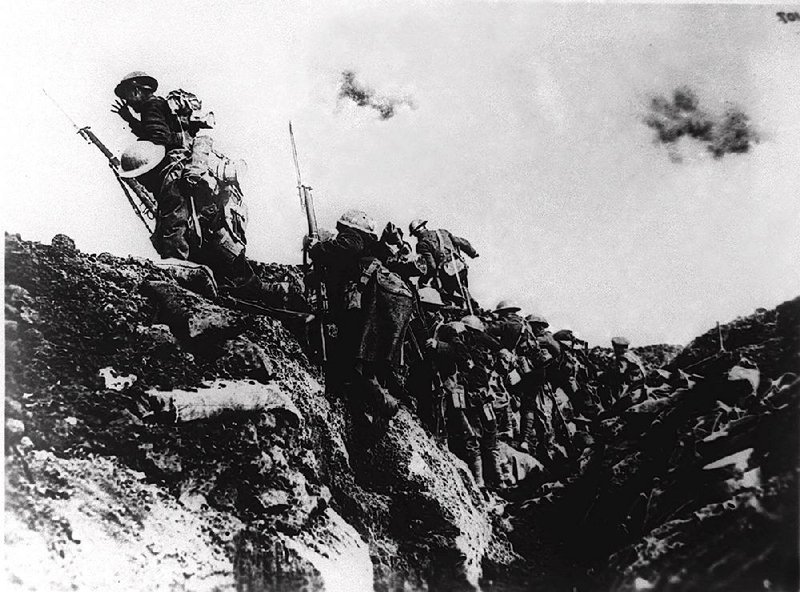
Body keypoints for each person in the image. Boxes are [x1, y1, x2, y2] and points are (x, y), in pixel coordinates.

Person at [114, 71, 277, 302]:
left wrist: (136, 127)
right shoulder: (161, 106)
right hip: (184, 162)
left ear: (136, 90)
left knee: (172, 218)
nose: (129, 101)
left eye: (128, 95)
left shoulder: (151, 106)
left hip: (173, 165)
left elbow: (158, 138)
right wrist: (132, 120)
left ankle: (176, 268)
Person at [307, 209, 414, 420]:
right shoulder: (372, 247)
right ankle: (377, 404)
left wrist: (317, 248)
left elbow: (346, 247)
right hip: (387, 301)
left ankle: (380, 402)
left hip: (373, 299)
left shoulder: (353, 238)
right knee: (363, 359)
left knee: (353, 359)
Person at [408, 219, 479, 306]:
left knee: (440, 290)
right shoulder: (442, 232)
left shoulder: (422, 244)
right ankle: (471, 302)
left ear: (416, 233)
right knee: (460, 286)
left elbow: (431, 267)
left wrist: (422, 281)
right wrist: (473, 253)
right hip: (461, 267)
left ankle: (456, 308)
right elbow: (462, 242)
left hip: (448, 274)